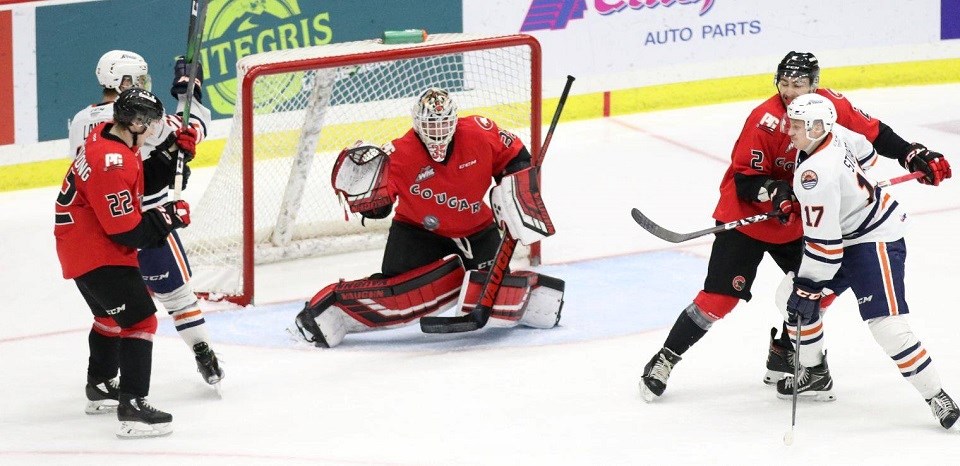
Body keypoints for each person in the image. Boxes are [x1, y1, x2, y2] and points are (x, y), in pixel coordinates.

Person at [638, 51, 952, 402]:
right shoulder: (764, 121)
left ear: (814, 85)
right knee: (719, 299)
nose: (790, 92)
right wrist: (773, 191)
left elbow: (874, 133)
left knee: (810, 296)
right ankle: (665, 358)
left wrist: (912, 153)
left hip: (799, 222)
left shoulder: (828, 108)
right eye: (784, 84)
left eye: (798, 85)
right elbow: (744, 178)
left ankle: (795, 357)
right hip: (747, 219)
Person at [293, 87, 564, 347]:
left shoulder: (480, 132)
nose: (438, 131)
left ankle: (533, 301)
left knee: (492, 286)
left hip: (476, 229)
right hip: (417, 232)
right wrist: (369, 203)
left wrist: (513, 189)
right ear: (416, 122)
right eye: (431, 125)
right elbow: (380, 210)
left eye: (444, 123)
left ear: (455, 119)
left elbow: (516, 156)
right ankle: (332, 310)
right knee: (397, 289)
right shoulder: (399, 154)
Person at [777, 93, 957, 429]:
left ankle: (936, 395)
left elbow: (825, 247)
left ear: (818, 126)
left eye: (798, 125)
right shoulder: (835, 135)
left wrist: (809, 286)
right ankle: (816, 373)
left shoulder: (815, 172)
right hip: (845, 234)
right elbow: (868, 156)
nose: (791, 130)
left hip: (874, 239)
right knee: (787, 300)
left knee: (886, 327)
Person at [68, 50, 223, 388]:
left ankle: (102, 379)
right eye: (138, 79)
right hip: (147, 220)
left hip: (99, 229)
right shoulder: (137, 116)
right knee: (176, 297)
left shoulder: (81, 120)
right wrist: (190, 94)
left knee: (111, 312)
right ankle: (202, 353)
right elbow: (190, 131)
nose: (143, 86)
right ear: (125, 82)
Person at [56, 88, 192, 438]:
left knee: (109, 318)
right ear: (133, 122)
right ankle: (132, 408)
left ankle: (99, 386)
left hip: (79, 248)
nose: (151, 131)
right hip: (98, 253)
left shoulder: (106, 142)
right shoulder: (110, 161)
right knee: (141, 320)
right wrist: (168, 218)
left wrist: (170, 155)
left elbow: (136, 181)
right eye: (148, 125)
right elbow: (125, 230)